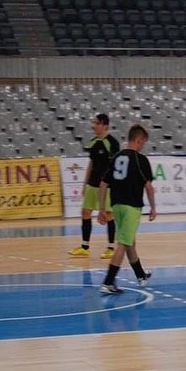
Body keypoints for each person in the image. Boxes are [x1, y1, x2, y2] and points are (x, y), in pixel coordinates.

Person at [98, 124, 156, 294]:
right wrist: (153, 207)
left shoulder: (116, 157)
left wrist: (102, 208)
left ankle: (140, 275)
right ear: (138, 140)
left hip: (116, 205)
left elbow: (103, 184)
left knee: (129, 240)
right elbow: (149, 187)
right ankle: (108, 282)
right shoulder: (140, 159)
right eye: (143, 142)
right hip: (132, 206)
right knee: (123, 243)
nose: (143, 146)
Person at [68, 113, 120, 260]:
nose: (93, 125)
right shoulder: (93, 142)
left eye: (96, 123)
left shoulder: (112, 143)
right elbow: (91, 164)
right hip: (92, 184)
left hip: (107, 185)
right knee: (85, 212)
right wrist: (85, 183)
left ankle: (110, 248)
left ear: (104, 125)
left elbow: (115, 166)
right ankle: (84, 247)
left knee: (109, 215)